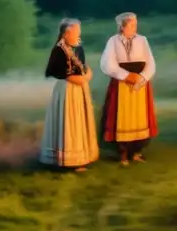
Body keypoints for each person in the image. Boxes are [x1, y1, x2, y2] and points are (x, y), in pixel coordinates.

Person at [39, 18, 99, 171]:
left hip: (80, 88)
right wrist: (83, 79)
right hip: (67, 90)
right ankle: (68, 158)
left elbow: (83, 67)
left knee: (80, 121)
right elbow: (63, 73)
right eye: (76, 31)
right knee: (69, 122)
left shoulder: (78, 47)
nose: (79, 34)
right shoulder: (59, 50)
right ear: (66, 33)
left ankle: (81, 156)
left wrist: (87, 75)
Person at [99, 12, 158, 166]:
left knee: (139, 117)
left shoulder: (142, 40)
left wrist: (142, 77)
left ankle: (137, 151)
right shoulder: (113, 41)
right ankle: (123, 153)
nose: (135, 27)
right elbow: (107, 63)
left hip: (140, 85)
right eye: (131, 24)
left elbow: (151, 63)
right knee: (122, 118)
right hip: (121, 85)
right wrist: (125, 75)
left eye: (135, 24)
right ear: (122, 27)